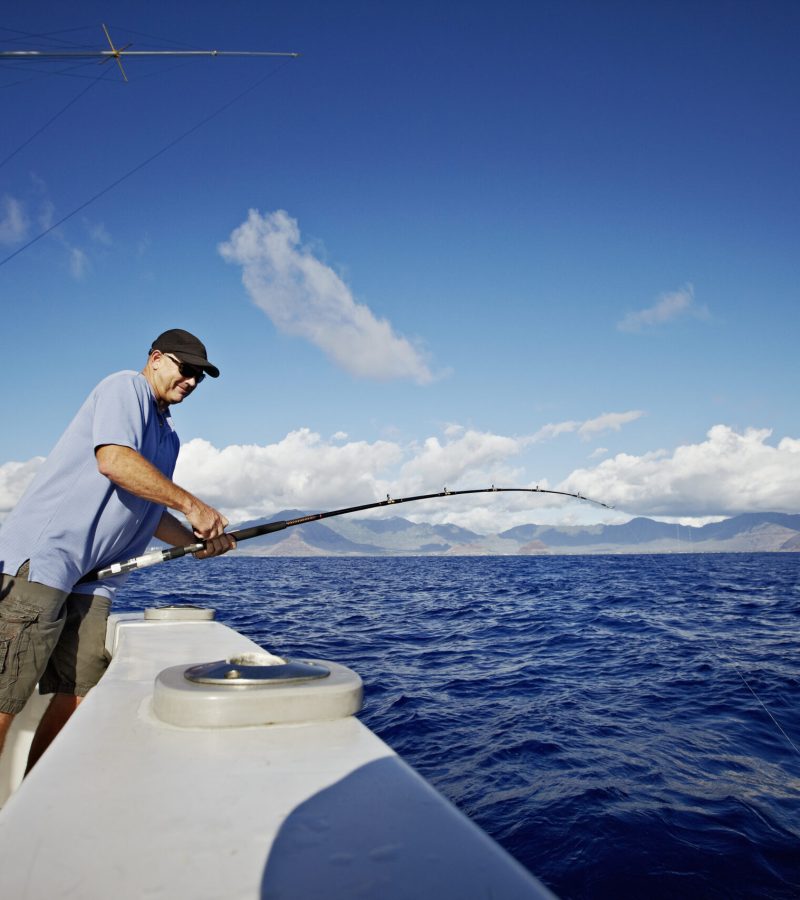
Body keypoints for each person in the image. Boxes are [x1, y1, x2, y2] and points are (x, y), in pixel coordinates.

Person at [0, 328, 235, 769]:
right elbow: (114, 461)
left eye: (199, 378)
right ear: (157, 358)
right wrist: (193, 504)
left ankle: (36, 797)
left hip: (93, 584)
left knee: (79, 696)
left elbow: (149, 508)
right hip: (42, 565)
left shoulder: (170, 438)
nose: (191, 382)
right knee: (5, 696)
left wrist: (196, 542)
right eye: (186, 370)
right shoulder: (125, 386)